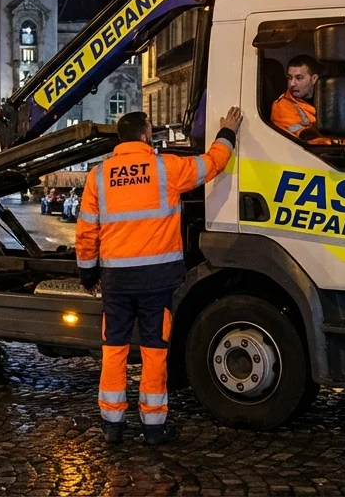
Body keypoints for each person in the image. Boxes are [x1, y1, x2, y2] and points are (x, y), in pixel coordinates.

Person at [75, 106, 242, 446]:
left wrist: (88, 271)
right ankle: (154, 427)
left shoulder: (99, 176)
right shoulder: (165, 168)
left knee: (114, 350)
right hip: (156, 281)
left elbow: (86, 230)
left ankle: (112, 424)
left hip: (117, 282)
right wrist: (227, 131)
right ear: (146, 135)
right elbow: (213, 164)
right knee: (154, 352)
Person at [270, 55, 323, 142]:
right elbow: (310, 140)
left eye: (299, 78)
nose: (292, 84)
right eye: (289, 78)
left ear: (314, 79)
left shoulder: (329, 99)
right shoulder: (282, 107)